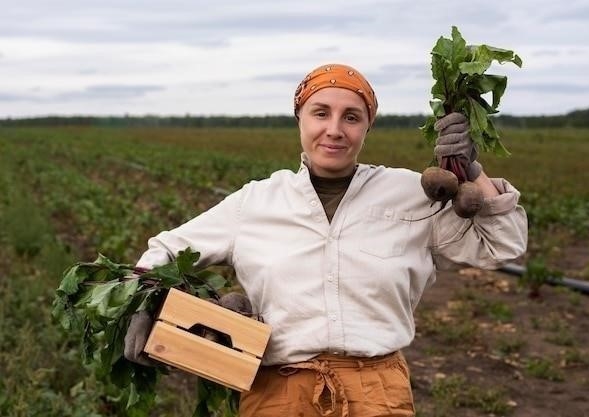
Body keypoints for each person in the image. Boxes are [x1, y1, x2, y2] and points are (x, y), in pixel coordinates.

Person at [124, 63, 528, 416]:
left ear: (368, 125)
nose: (334, 130)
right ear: (300, 118)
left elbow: (501, 247)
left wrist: (473, 171)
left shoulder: (409, 194)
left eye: (351, 117)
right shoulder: (256, 201)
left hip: (377, 392)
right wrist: (144, 302)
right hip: (276, 393)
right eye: (321, 113)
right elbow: (164, 251)